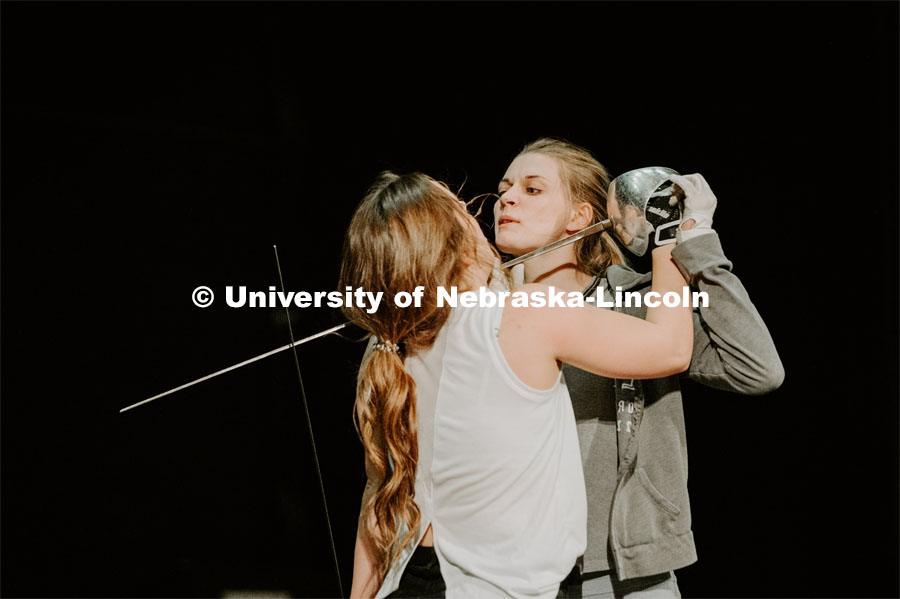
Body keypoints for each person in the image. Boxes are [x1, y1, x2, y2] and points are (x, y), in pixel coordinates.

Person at [341, 171, 695, 599]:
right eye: (464, 211)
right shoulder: (525, 313)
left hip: (407, 583)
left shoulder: (388, 348)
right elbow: (671, 347)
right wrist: (670, 233)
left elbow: (377, 501)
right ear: (454, 237)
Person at [494, 138, 785, 598]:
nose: (505, 198)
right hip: (514, 573)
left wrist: (698, 243)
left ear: (579, 217)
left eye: (532, 189)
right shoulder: (485, 315)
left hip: (629, 577)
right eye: (504, 188)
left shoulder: (644, 304)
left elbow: (756, 369)